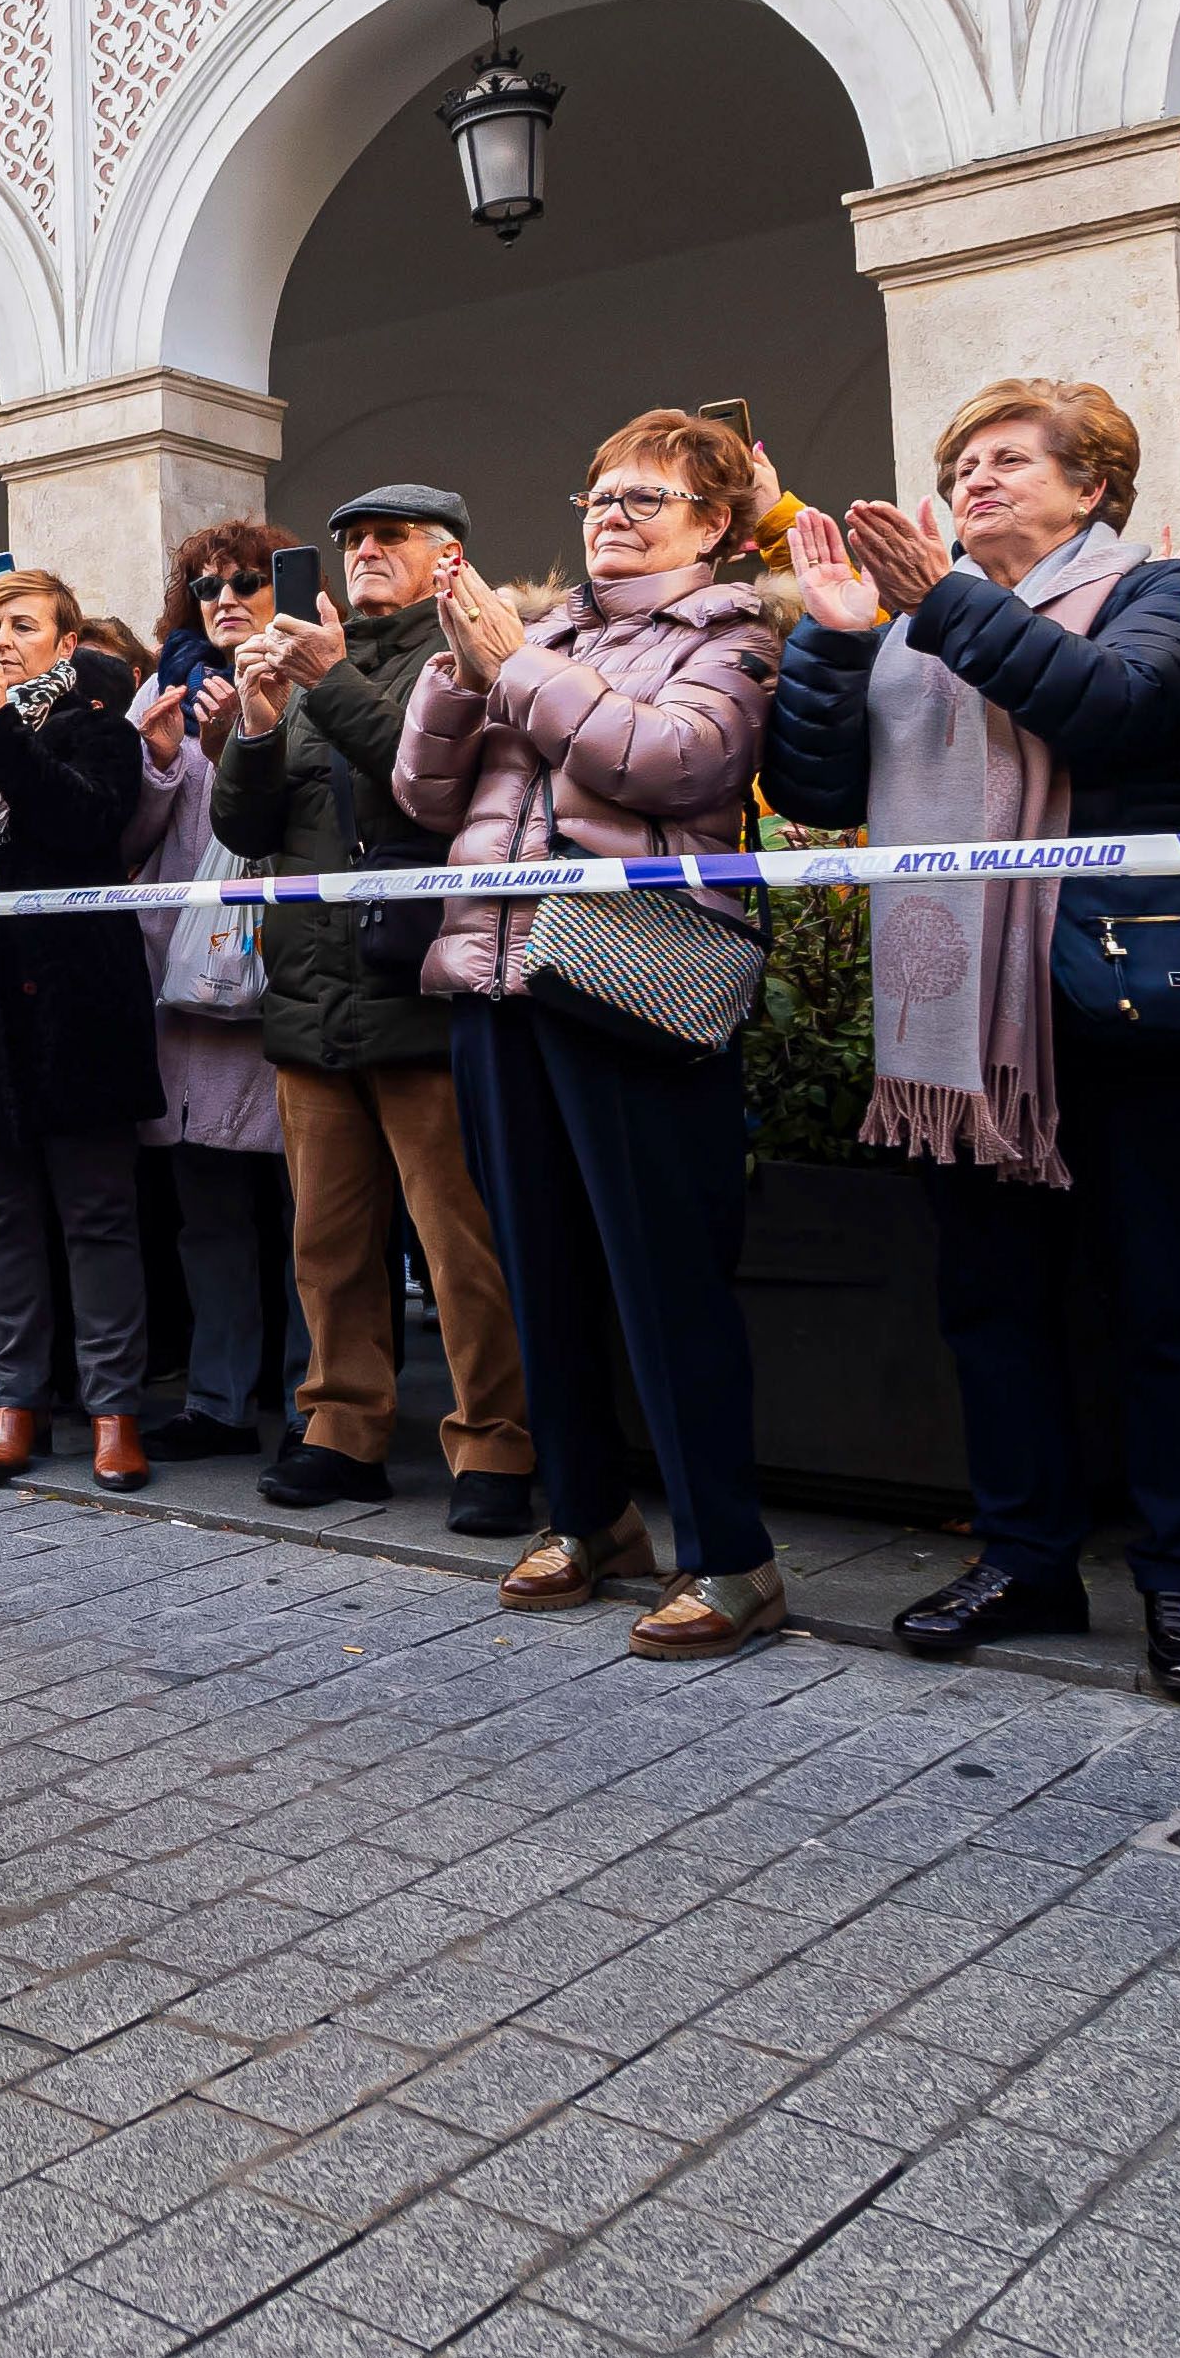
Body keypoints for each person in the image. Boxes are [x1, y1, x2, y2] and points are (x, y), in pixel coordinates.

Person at [777, 380, 1180, 1704]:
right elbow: (814, 790)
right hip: (956, 1028)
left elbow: (1109, 708)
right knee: (990, 1302)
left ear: (1091, 487)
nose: (973, 480)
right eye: (959, 466)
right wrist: (835, 645)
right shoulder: (911, 629)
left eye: (1007, 460)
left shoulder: (1172, 592)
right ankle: (1024, 1557)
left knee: (1166, 1304)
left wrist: (939, 600)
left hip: (1125, 1006)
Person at [396, 414, 787, 1655]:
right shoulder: (539, 634)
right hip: (496, 979)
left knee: (664, 1278)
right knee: (537, 1267)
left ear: (712, 523)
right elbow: (423, 795)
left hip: (627, 982)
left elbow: (671, 760)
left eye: (642, 498)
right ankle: (587, 1516)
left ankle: (729, 1553)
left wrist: (513, 667)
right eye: (597, 496)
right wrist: (455, 672)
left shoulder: (731, 631)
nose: (608, 515)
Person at [210, 486, 535, 1525]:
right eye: (351, 540)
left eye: (390, 536)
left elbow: (425, 785)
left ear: (448, 557)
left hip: (419, 990)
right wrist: (257, 725)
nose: (363, 553)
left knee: (458, 1243)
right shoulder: (313, 662)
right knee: (328, 1243)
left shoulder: (470, 647)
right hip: (311, 992)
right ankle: (342, 1430)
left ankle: (495, 1443)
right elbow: (244, 828)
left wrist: (326, 678)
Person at [0, 571, 166, 1491]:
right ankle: (17, 1405)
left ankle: (114, 1411)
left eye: (24, 625)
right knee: (0, 1215)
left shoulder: (98, 725)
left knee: (98, 1216)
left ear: (66, 643)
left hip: (77, 1006)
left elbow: (83, 820)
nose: (4, 641)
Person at [128, 523, 295, 1462]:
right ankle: (220, 1401)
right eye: (205, 584)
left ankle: (319, 1409)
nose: (224, 597)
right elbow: (122, 842)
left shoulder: (312, 671)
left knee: (316, 1219)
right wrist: (158, 761)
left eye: (246, 579)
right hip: (186, 989)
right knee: (209, 1215)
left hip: (288, 981)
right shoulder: (165, 688)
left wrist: (249, 736)